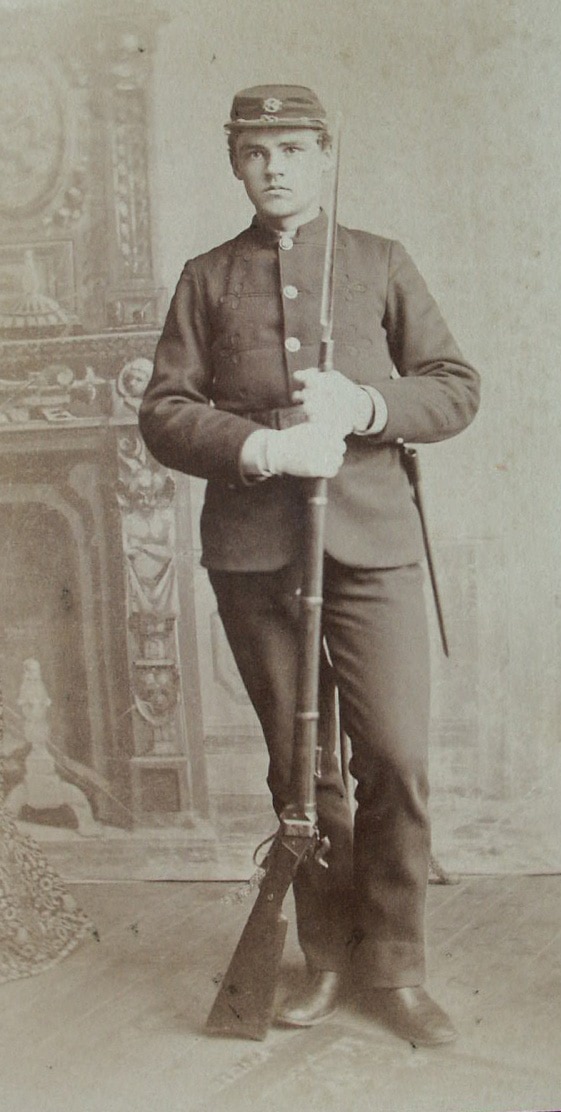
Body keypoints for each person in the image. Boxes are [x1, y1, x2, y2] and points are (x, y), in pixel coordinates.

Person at [139, 85, 480, 1045]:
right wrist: (261, 447)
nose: (274, 167)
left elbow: (454, 388)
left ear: (323, 155)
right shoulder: (207, 277)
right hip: (256, 556)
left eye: (291, 148)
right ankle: (327, 957)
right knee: (303, 773)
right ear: (235, 165)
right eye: (255, 152)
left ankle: (396, 969)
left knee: (396, 760)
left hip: (373, 545)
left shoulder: (379, 261)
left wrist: (367, 406)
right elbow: (163, 412)